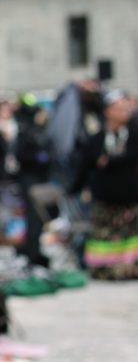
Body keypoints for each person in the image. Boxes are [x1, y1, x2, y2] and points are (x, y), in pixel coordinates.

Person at [70, 90, 138, 280]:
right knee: (104, 238)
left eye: (126, 108)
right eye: (118, 108)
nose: (124, 112)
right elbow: (86, 165)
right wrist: (74, 188)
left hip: (131, 197)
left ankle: (131, 269)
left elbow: (128, 157)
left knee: (131, 238)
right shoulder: (97, 139)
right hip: (105, 198)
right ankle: (104, 271)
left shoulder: (133, 136)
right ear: (107, 111)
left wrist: (110, 161)